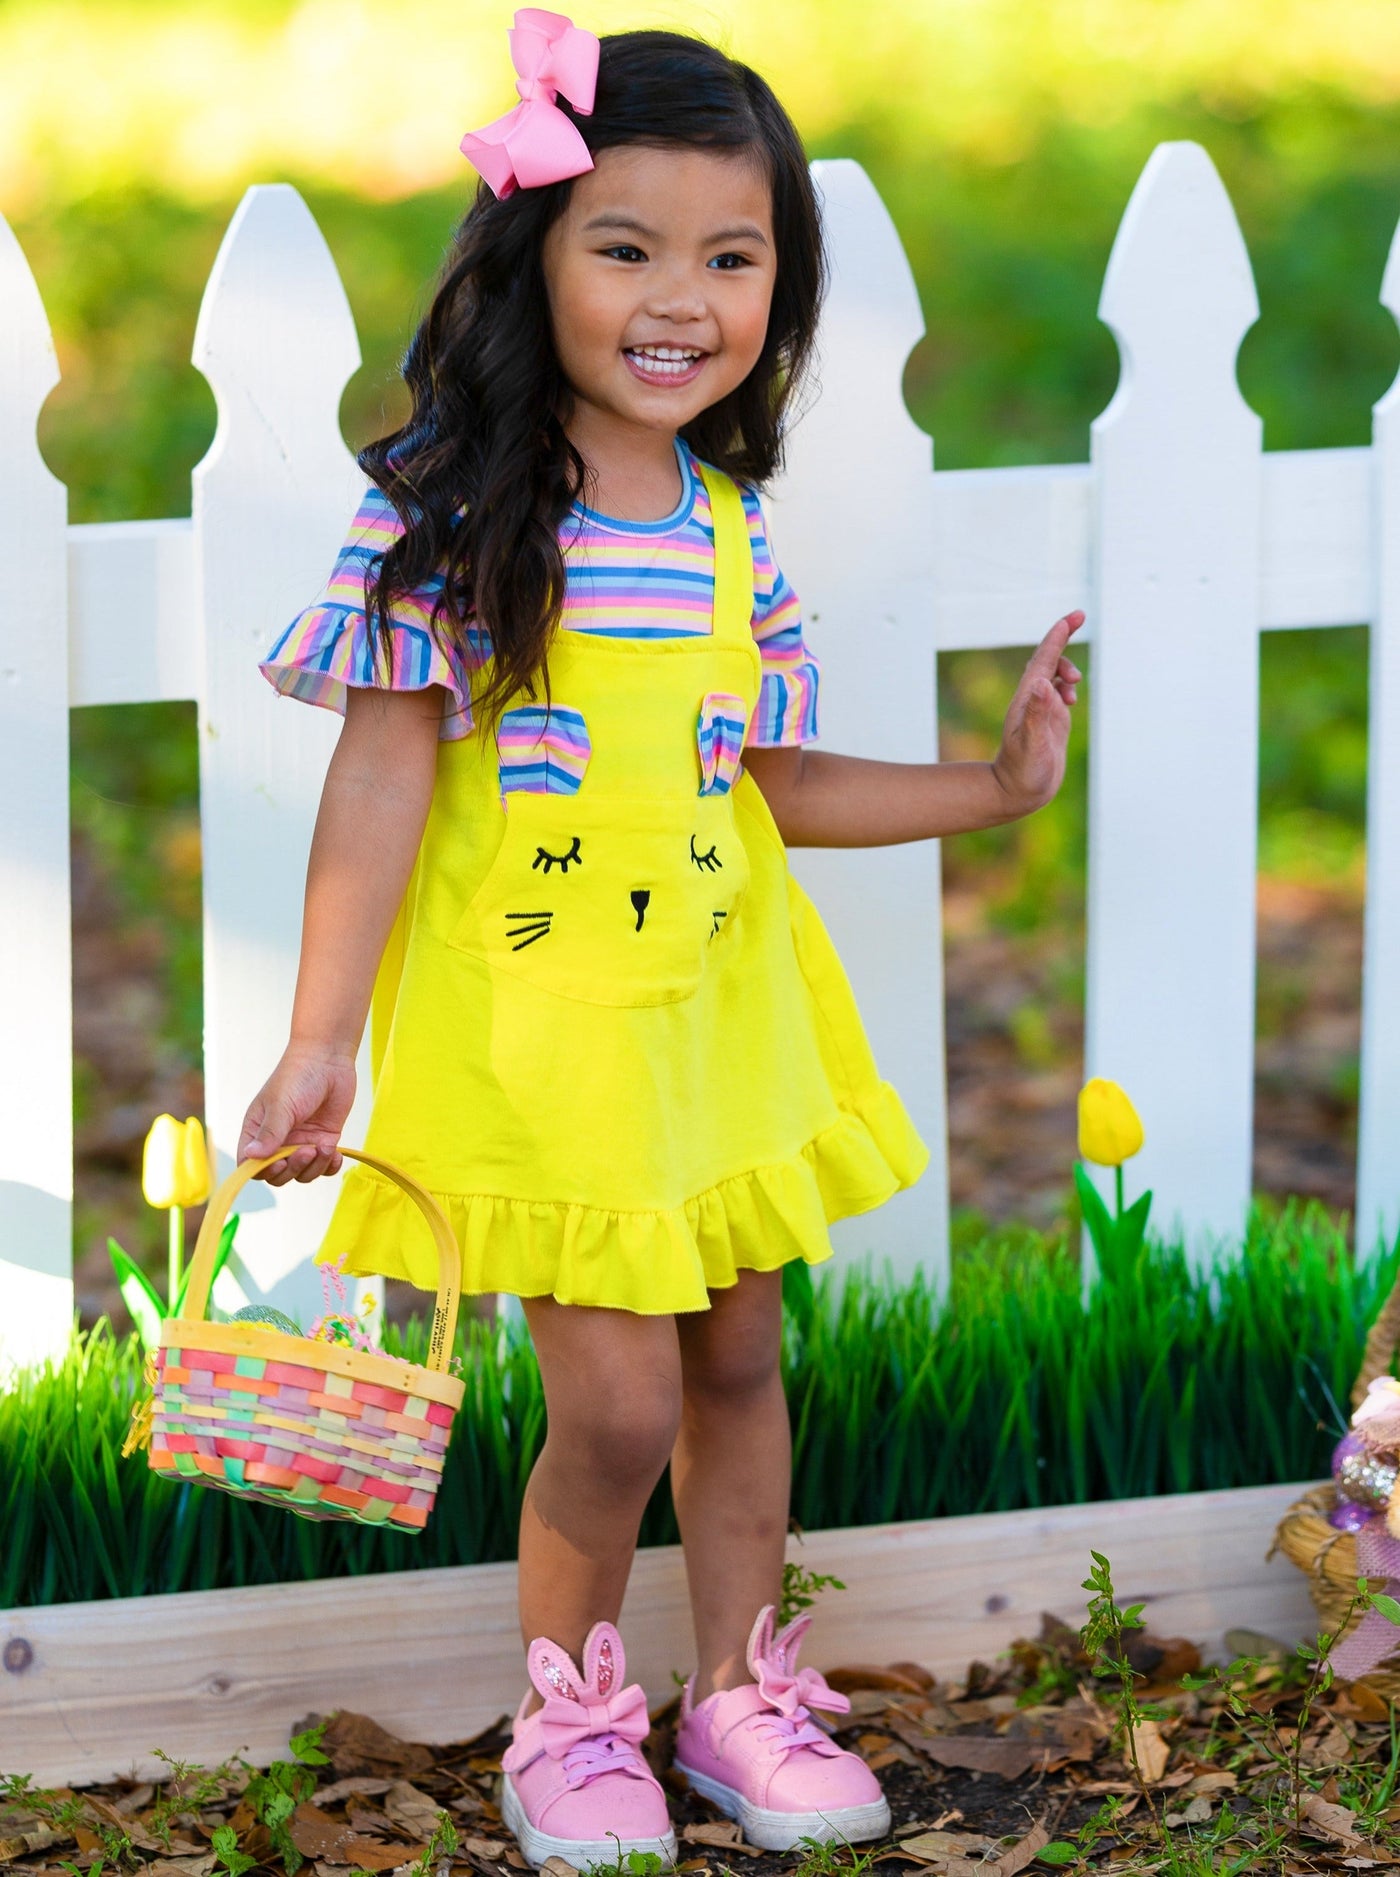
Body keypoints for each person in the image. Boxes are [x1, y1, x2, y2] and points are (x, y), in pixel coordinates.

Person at [240, 11, 1082, 1868]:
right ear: (528, 259)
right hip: (541, 1036)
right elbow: (380, 786)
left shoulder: (724, 532)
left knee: (739, 1359)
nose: (680, 295)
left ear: (779, 288)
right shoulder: (454, 527)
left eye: (734, 253)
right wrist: (318, 1035)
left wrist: (992, 789)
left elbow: (764, 779)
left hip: (712, 1015)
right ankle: (571, 1714)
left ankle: (735, 1696)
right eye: (625, 245)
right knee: (613, 1401)